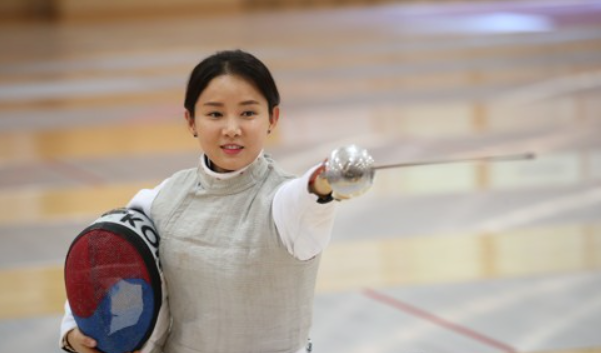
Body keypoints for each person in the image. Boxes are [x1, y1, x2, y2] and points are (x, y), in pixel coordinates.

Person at [59, 49, 350, 353]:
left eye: (248, 113)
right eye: (215, 114)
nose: (232, 129)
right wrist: (73, 331)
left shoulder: (283, 201)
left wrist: (323, 182)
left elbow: (305, 198)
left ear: (272, 118)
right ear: (191, 121)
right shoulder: (164, 199)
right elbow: (104, 253)